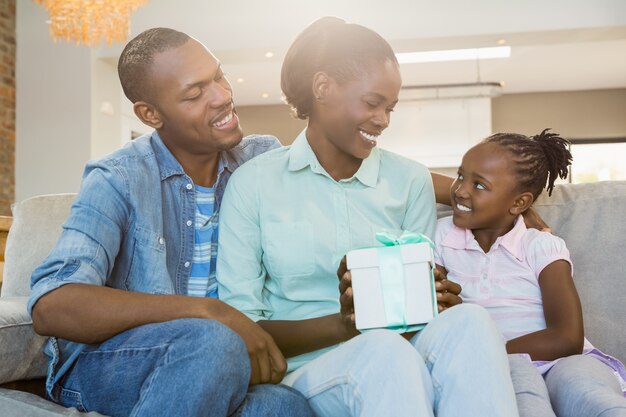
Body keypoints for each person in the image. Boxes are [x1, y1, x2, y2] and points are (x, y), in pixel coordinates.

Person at [217, 17, 519, 417]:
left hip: (402, 357)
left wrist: (430, 301)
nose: (383, 120)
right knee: (383, 349)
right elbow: (243, 326)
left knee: (471, 321)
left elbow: (413, 319)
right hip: (311, 372)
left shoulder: (409, 179)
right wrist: (346, 325)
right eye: (373, 103)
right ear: (322, 87)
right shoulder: (254, 183)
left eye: (390, 108)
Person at [27, 28, 315, 417]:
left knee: (284, 406)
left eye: (218, 75)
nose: (223, 95)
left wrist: (423, 190)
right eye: (195, 93)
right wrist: (210, 312)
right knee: (214, 343)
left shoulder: (261, 161)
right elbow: (54, 305)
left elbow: (360, 174)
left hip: (218, 364)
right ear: (151, 114)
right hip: (111, 363)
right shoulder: (118, 178)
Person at [434, 129, 626, 417]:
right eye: (461, 176)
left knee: (590, 394)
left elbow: (568, 337)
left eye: (480, 185)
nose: (460, 190)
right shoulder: (440, 237)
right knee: (523, 398)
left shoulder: (541, 245)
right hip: (503, 366)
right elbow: (434, 309)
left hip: (564, 360)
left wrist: (491, 349)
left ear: (519, 204)